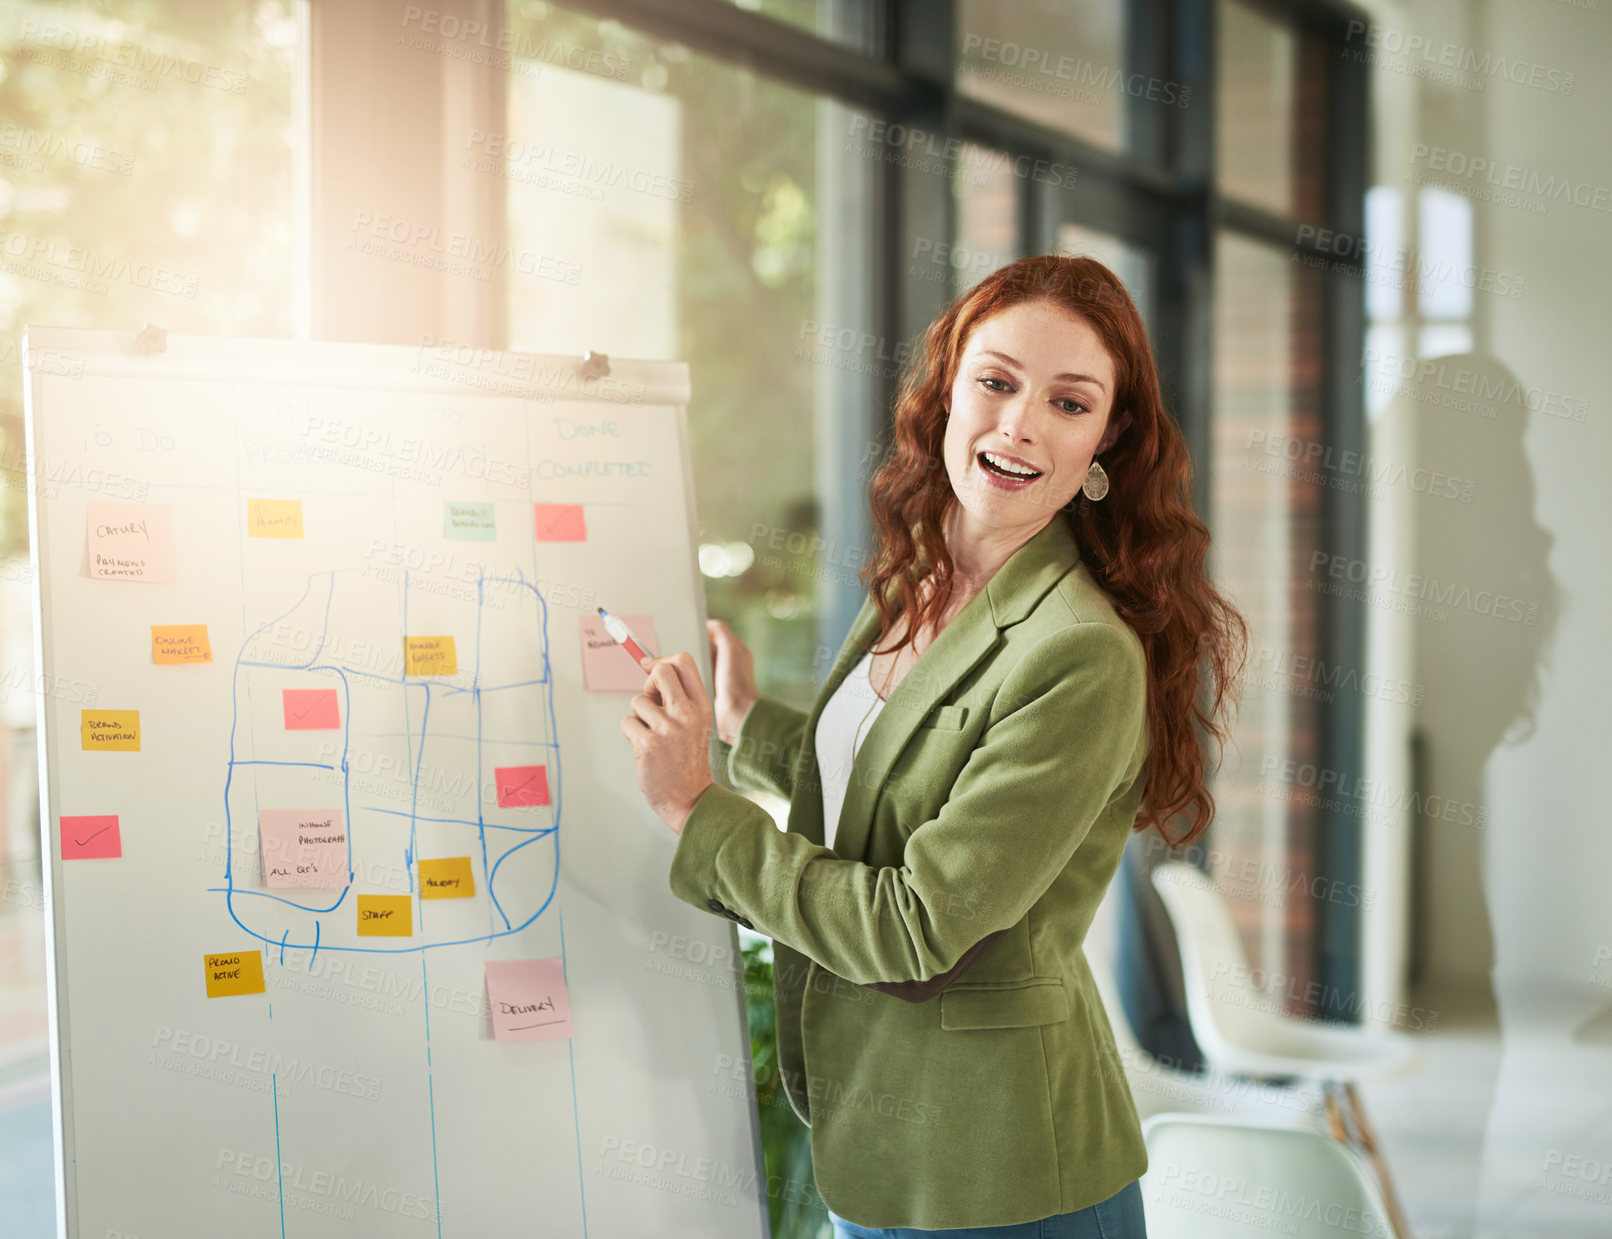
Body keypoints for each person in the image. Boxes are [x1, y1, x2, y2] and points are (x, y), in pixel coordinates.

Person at [619, 254, 1247, 1237]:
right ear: (946, 385)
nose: (1019, 425)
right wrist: (748, 725)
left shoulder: (1079, 655)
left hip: (996, 1176)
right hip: (886, 1145)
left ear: (1104, 443)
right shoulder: (924, 577)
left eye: (1068, 403)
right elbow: (891, 787)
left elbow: (913, 930)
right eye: (996, 381)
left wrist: (697, 812)